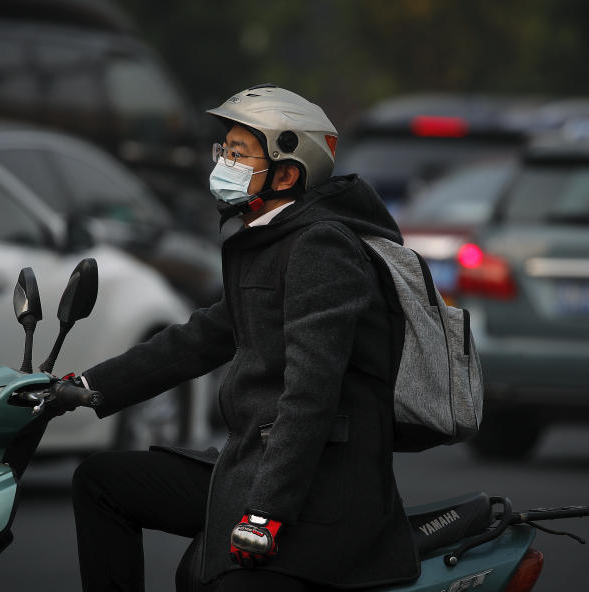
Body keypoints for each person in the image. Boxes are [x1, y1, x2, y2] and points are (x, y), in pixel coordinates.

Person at [66, 84, 421, 591]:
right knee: (102, 482)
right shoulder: (270, 237)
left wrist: (264, 513)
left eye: (238, 153)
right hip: (254, 463)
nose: (223, 163)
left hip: (319, 492)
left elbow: (310, 394)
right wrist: (86, 387)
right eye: (223, 151)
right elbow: (200, 338)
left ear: (287, 172)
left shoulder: (321, 247)